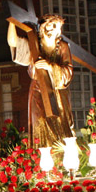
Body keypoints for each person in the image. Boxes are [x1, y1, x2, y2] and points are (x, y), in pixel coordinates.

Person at [7, 14, 73, 148]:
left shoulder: (63, 47)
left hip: (58, 93)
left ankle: (63, 153)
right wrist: (12, 22)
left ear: (59, 30)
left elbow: (68, 72)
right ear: (42, 29)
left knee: (61, 124)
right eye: (47, 27)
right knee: (40, 124)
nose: (50, 30)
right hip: (38, 90)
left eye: (54, 27)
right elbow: (13, 42)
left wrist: (50, 66)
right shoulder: (35, 44)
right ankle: (40, 155)